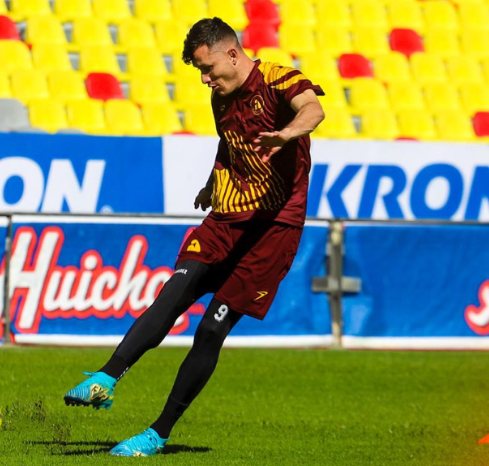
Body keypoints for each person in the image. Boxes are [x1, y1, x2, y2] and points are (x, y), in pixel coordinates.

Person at [63, 17, 325, 457]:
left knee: (211, 328)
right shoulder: (220, 97)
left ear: (232, 54)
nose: (205, 79)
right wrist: (210, 182)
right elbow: (230, 142)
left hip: (273, 228)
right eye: (200, 72)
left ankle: (157, 434)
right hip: (227, 216)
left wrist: (287, 134)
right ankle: (106, 377)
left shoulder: (278, 79)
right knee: (175, 289)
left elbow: (313, 110)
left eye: (208, 68)